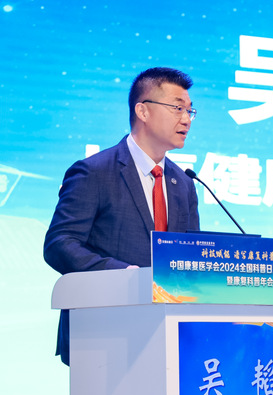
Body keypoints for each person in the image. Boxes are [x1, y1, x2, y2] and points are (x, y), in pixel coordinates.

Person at [44, 67, 201, 365]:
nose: (186, 119)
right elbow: (60, 244)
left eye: (190, 110)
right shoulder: (94, 172)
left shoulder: (184, 184)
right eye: (177, 108)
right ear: (143, 111)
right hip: (102, 333)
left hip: (170, 336)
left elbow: (189, 256)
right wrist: (126, 275)